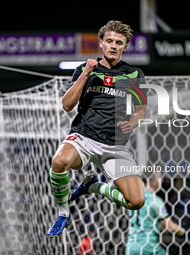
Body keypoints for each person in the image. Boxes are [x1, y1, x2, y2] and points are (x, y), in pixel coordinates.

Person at [47, 20, 148, 237]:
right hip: (85, 137)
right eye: (109, 41)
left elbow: (141, 112)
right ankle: (63, 213)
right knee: (59, 162)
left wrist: (131, 123)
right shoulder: (85, 69)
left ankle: (92, 187)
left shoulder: (134, 75)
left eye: (118, 42)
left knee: (136, 201)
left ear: (125, 47)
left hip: (116, 145)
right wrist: (87, 73)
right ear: (101, 43)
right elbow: (67, 105)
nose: (113, 45)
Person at [125, 175, 186, 255]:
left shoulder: (134, 199)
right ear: (153, 182)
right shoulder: (155, 200)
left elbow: (147, 224)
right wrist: (185, 233)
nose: (162, 180)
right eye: (159, 177)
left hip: (131, 248)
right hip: (148, 247)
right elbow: (169, 226)